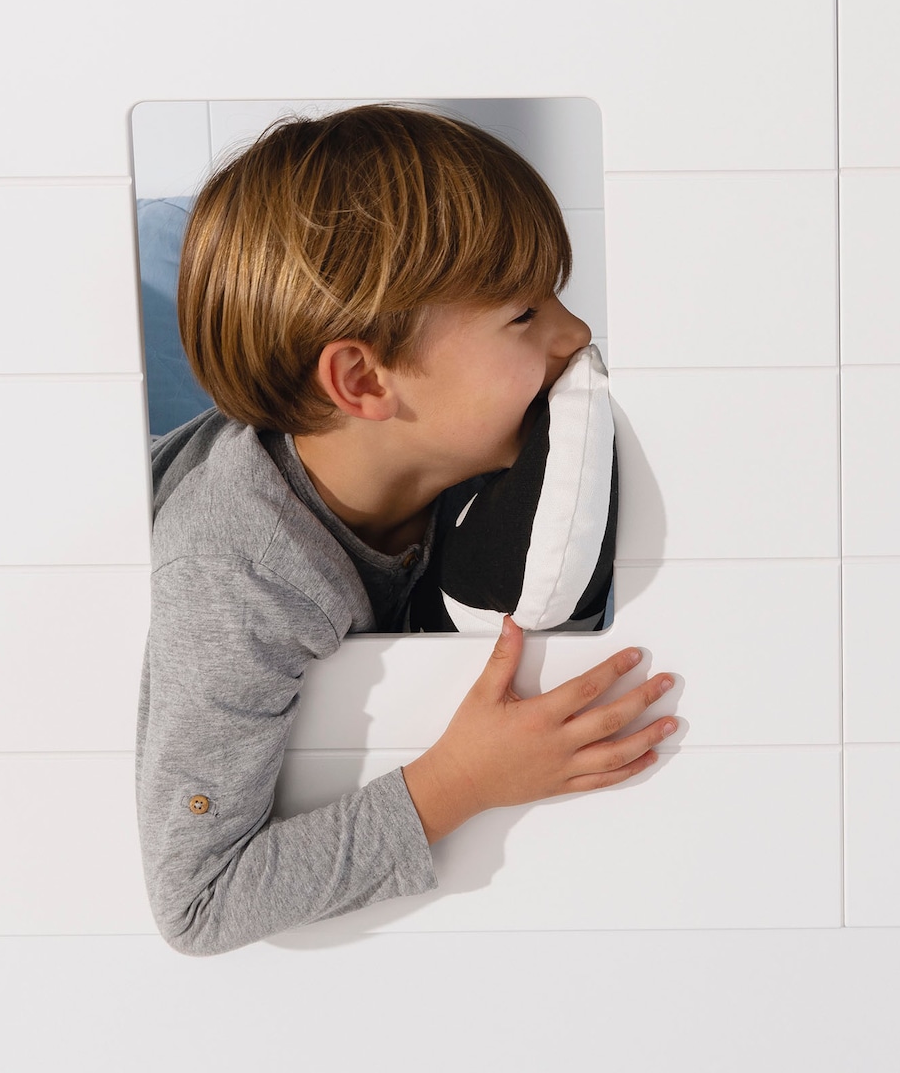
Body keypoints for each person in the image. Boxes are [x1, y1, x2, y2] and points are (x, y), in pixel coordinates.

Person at [136, 105, 675, 955]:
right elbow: (197, 902)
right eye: (524, 315)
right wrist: (459, 782)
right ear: (362, 380)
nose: (575, 336)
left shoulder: (448, 455)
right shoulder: (238, 575)